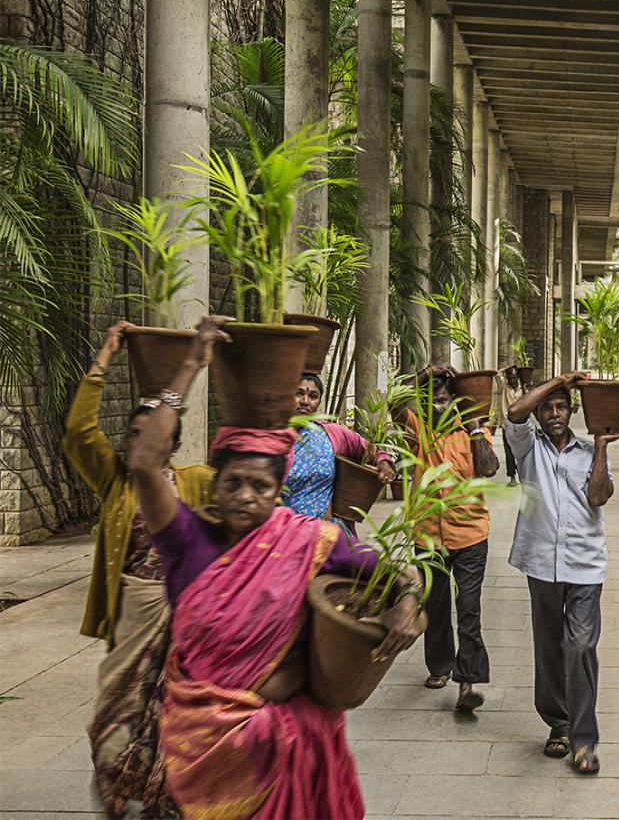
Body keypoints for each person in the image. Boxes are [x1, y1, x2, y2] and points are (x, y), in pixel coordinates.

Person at [127, 316, 423, 819]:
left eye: (260, 487)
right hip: (199, 746)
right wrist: (190, 365)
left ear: (278, 490)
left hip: (285, 752)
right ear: (213, 486)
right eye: (233, 483)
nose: (245, 496)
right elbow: (143, 462)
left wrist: (408, 604)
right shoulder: (185, 541)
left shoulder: (308, 539)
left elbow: (393, 573)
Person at [62, 319, 212, 819]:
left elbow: (247, 491)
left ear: (171, 443)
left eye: (152, 434)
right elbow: (80, 431)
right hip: (133, 621)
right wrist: (106, 354)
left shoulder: (196, 482)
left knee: (178, 728)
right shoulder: (114, 482)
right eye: (132, 434)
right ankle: (123, 792)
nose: (139, 442)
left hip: (185, 629)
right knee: (111, 727)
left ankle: (164, 803)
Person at [502, 371, 619, 776]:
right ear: (539, 413)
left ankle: (584, 737)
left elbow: (598, 496)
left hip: (586, 564)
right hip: (540, 562)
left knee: (580, 646)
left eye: (561, 406)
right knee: (550, 646)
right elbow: (513, 411)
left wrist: (604, 446)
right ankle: (558, 722)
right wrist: (560, 380)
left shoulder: (589, 451)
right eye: (547, 407)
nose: (554, 413)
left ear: (572, 411)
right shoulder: (526, 448)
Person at [403, 365, 499, 712]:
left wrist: (474, 427)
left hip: (470, 534)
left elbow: (489, 468)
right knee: (437, 606)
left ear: (456, 399)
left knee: (469, 611)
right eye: (433, 398)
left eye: (446, 397)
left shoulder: (474, 430)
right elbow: (394, 404)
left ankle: (467, 682)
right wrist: (424, 374)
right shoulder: (419, 429)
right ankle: (440, 666)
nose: (440, 403)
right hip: (428, 535)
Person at [284, 372, 396, 526]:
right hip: (282, 534)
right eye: (299, 394)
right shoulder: (273, 437)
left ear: (319, 401)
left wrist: (383, 462)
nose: (305, 401)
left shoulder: (332, 433)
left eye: (313, 396)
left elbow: (370, 450)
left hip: (324, 534)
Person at [497, 365, 525, 486]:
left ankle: (523, 476)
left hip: (520, 424)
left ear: (517, 377)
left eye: (514, 377)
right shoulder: (504, 387)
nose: (512, 380)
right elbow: (497, 374)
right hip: (507, 424)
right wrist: (507, 368)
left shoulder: (522, 388)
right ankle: (512, 477)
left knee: (521, 452)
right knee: (509, 452)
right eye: (510, 378)